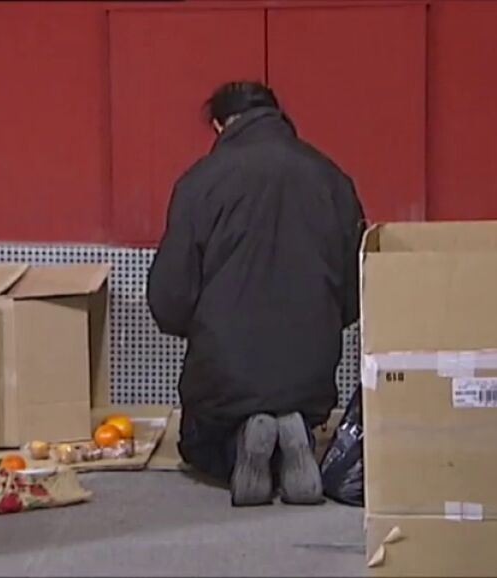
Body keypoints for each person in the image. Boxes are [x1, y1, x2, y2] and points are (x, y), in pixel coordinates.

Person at [147, 81, 365, 507]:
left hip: (224, 376)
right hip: (311, 375)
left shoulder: (200, 182)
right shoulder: (331, 177)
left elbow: (169, 299)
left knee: (198, 442)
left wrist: (199, 326)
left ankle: (241, 447)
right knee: (290, 399)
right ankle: (295, 438)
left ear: (219, 125)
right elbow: (355, 291)